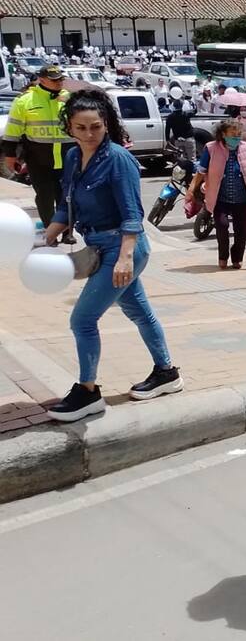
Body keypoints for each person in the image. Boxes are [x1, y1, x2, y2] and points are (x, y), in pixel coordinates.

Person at [42, 90, 180, 422]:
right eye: (81, 127)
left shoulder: (118, 159)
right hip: (98, 245)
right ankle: (167, 373)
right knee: (138, 311)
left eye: (96, 127)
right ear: (70, 128)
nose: (89, 134)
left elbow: (133, 214)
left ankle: (87, 392)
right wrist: (47, 235)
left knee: (82, 320)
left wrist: (125, 258)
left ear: (107, 125)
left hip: (123, 248)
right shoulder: (74, 157)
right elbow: (66, 203)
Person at [189, 119, 246, 270]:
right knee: (222, 226)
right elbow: (201, 172)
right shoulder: (211, 149)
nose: (236, 138)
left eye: (238, 135)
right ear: (223, 134)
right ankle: (223, 256)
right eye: (233, 135)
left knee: (242, 230)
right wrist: (191, 190)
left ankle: (237, 258)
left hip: (242, 198)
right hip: (220, 198)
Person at [3, 63, 72, 227]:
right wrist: (10, 155)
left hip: (67, 156)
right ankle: (50, 229)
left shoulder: (70, 99)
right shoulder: (24, 101)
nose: (59, 82)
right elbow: (13, 131)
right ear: (41, 80)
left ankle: (66, 230)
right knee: (44, 195)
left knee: (66, 195)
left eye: (61, 79)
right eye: (54, 80)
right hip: (39, 158)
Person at [165, 99, 196, 164]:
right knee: (192, 159)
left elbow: (167, 128)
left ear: (173, 106)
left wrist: (167, 139)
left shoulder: (170, 117)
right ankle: (191, 172)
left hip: (178, 140)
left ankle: (182, 173)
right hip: (188, 138)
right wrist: (192, 103)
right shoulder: (186, 114)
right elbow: (195, 111)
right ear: (182, 105)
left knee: (180, 160)